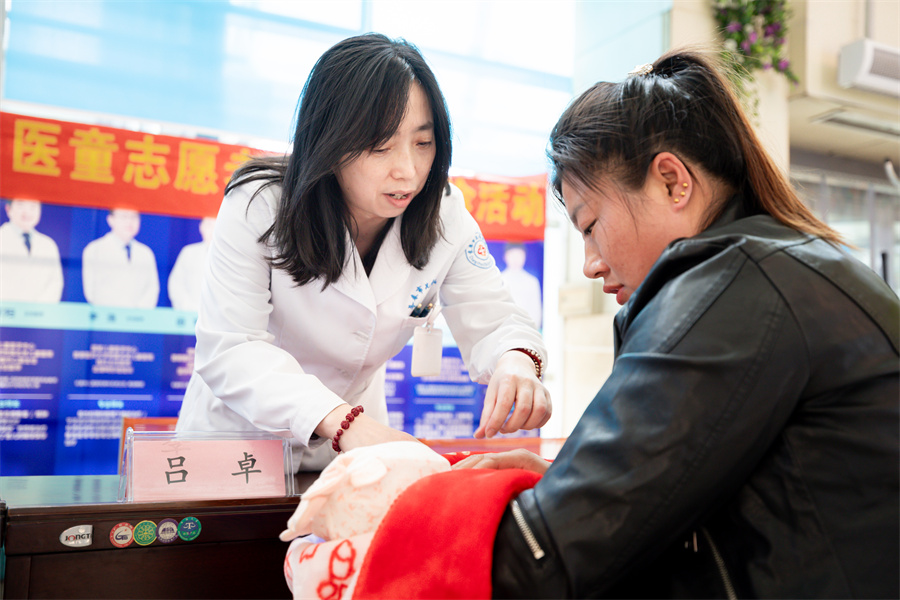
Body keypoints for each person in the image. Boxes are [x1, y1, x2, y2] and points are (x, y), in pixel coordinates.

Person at [455, 49, 899, 598]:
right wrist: (565, 483)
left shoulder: (733, 287)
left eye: (590, 226)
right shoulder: (780, 264)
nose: (590, 264)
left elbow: (544, 559)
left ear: (672, 182)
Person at [175, 34, 551, 471]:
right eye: (380, 146)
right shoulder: (260, 203)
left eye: (423, 143)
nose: (408, 170)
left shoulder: (444, 214)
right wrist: (343, 423)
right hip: (239, 442)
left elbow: (495, 318)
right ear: (329, 141)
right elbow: (232, 347)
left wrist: (515, 362)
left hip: (352, 447)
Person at [82, 208, 160, 308]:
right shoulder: (94, 250)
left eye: (134, 217)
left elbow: (152, 288)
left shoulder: (146, 253)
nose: (129, 222)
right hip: (106, 313)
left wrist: (138, 311)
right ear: (110, 219)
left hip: (139, 315)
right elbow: (91, 291)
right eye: (124, 217)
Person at [0, 199, 63, 303]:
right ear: (8, 209)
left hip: (41, 311)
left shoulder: (48, 244)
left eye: (33, 207)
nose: (27, 212)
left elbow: (55, 283)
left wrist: (39, 309)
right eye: (20, 205)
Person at [168, 216, 216, 311]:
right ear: (201, 227)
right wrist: (187, 306)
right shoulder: (188, 252)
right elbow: (176, 284)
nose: (213, 230)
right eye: (209, 225)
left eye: (217, 225)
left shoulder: (231, 256)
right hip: (189, 313)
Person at [500, 242, 542, 328]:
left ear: (525, 257)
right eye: (512, 255)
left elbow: (536, 311)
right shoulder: (500, 280)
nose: (515, 259)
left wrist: (533, 328)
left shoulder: (532, 281)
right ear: (505, 257)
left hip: (526, 328)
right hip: (504, 328)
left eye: (519, 255)